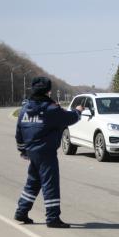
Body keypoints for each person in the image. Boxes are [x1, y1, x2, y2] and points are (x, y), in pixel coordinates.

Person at [14, 76, 83, 228]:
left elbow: (19, 133)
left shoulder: (24, 109)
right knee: (50, 185)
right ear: (48, 91)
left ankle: (21, 211)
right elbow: (70, 118)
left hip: (32, 152)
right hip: (46, 153)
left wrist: (23, 151)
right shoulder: (51, 109)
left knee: (33, 183)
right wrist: (78, 111)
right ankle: (52, 218)